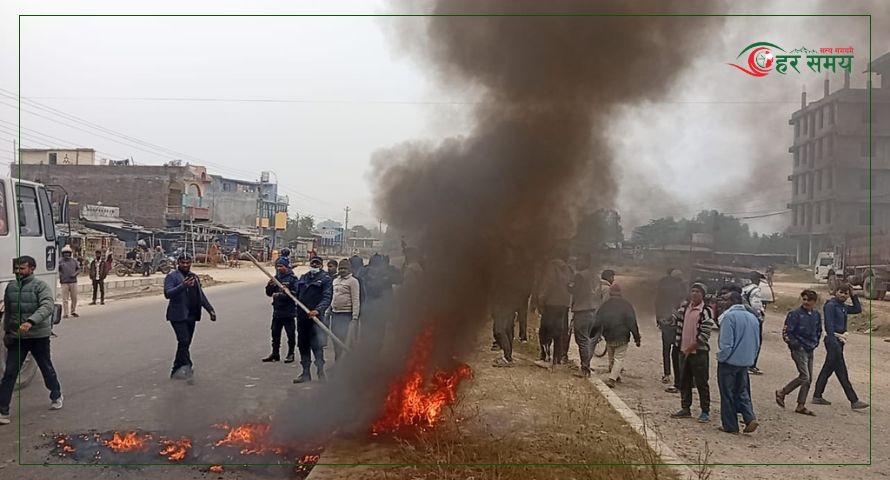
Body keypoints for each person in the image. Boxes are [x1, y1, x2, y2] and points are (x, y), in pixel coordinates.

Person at [0, 256, 64, 424]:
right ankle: (3, 411)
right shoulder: (11, 287)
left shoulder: (40, 286)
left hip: (38, 337)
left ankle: (56, 395)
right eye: (16, 269)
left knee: (46, 368)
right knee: (9, 373)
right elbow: (9, 312)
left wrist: (30, 322)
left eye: (22, 269)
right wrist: (7, 333)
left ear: (32, 269)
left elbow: (47, 306)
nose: (18, 272)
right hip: (17, 337)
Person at [812, 285, 869, 409]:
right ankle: (854, 400)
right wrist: (833, 342)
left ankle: (817, 395)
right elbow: (829, 325)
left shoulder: (842, 306)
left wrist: (854, 296)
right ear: (836, 292)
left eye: (846, 293)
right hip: (833, 340)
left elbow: (857, 309)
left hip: (840, 341)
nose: (843, 295)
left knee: (828, 369)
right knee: (841, 371)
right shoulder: (831, 305)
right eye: (841, 292)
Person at [163, 253, 216, 380]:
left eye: (188, 263)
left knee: (185, 344)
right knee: (184, 340)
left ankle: (176, 368)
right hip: (177, 315)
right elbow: (168, 294)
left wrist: (210, 309)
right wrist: (183, 286)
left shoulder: (194, 277)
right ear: (178, 263)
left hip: (191, 314)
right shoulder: (172, 277)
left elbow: (200, 295)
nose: (185, 265)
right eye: (183, 263)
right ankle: (187, 366)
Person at [715, 291, 760, 434]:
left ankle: (730, 426)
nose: (722, 302)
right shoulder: (752, 317)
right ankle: (749, 417)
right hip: (745, 361)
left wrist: (721, 357)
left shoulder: (729, 317)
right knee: (742, 391)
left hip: (729, 362)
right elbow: (757, 342)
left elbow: (726, 343)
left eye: (725, 299)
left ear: (733, 301)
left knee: (727, 393)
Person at [670, 282, 715, 423]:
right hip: (683, 351)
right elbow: (675, 322)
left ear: (703, 295)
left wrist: (691, 347)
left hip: (699, 353)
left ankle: (705, 411)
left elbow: (705, 333)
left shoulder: (705, 311)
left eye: (698, 291)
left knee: (702, 382)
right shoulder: (684, 308)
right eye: (693, 291)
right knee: (684, 381)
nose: (694, 294)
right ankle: (685, 408)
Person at [776, 289, 822, 416]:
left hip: (810, 348)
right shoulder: (794, 314)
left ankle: (801, 405)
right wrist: (795, 345)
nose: (806, 302)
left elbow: (819, 330)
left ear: (814, 302)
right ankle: (782, 392)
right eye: (804, 299)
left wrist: (815, 343)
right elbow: (787, 332)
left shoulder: (816, 315)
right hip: (799, 349)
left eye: (809, 300)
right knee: (804, 376)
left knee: (808, 379)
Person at [293, 256, 333, 383]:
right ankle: (305, 373)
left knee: (317, 345)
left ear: (321, 265)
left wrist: (318, 310)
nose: (314, 265)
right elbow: (296, 293)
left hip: (315, 318)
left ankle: (320, 372)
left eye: (317, 264)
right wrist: (287, 290)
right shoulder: (304, 277)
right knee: (303, 344)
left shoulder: (325, 279)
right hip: (302, 316)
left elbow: (327, 297)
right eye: (312, 263)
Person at [595, 283, 641, 388]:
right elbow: (632, 322)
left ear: (610, 293)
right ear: (620, 293)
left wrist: (593, 333)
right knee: (619, 358)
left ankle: (615, 375)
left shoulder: (605, 305)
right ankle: (612, 379)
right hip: (622, 336)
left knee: (611, 357)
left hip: (609, 335)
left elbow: (598, 320)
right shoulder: (627, 305)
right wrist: (637, 338)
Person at [535, 248, 572, 366]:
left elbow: (548, 283)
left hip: (551, 303)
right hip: (564, 304)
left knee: (544, 330)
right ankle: (558, 358)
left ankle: (544, 355)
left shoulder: (552, 266)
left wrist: (541, 299)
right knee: (559, 331)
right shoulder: (568, 269)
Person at [655, 268, 687, 392]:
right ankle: (675, 375)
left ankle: (668, 374)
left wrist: (658, 318)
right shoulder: (681, 286)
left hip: (668, 319)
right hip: (674, 320)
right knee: (677, 349)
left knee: (667, 348)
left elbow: (658, 302)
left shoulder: (664, 284)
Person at [263, 256, 298, 363]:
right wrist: (270, 285)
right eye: (277, 266)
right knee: (275, 334)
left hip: (288, 312)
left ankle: (291, 354)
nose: (279, 268)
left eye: (281, 266)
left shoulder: (293, 279)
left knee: (290, 334)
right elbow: (269, 293)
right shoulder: (275, 278)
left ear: (286, 267)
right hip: (277, 311)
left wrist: (281, 295)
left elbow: (295, 294)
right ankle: (275, 354)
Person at [568, 254, 599, 377]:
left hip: (582, 310)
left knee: (582, 341)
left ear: (586, 262)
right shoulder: (594, 275)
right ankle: (586, 366)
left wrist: (567, 285)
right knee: (586, 340)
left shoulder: (580, 275)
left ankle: (585, 368)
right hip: (592, 310)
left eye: (580, 261)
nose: (577, 263)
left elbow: (574, 290)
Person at [330, 259, 361, 362]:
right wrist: (329, 309)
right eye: (341, 268)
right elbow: (334, 296)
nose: (342, 270)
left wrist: (355, 317)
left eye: (345, 268)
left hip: (346, 314)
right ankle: (338, 361)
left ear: (349, 269)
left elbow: (355, 299)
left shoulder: (353, 281)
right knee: (335, 338)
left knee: (345, 340)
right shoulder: (335, 281)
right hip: (335, 313)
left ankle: (346, 363)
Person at [742, 271, 765, 375]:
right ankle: (751, 365)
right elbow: (756, 307)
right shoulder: (755, 290)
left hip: (744, 317)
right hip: (753, 319)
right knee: (756, 342)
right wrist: (760, 317)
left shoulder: (745, 289)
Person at [58, 245, 80, 318]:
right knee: (65, 299)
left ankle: (73, 311)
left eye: (68, 253)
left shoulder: (74, 261)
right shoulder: (60, 262)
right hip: (64, 282)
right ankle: (65, 313)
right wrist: (60, 275)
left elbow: (78, 269)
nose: (66, 254)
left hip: (73, 282)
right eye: (65, 253)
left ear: (70, 254)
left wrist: (75, 274)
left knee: (74, 298)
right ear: (63, 254)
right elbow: (57, 270)